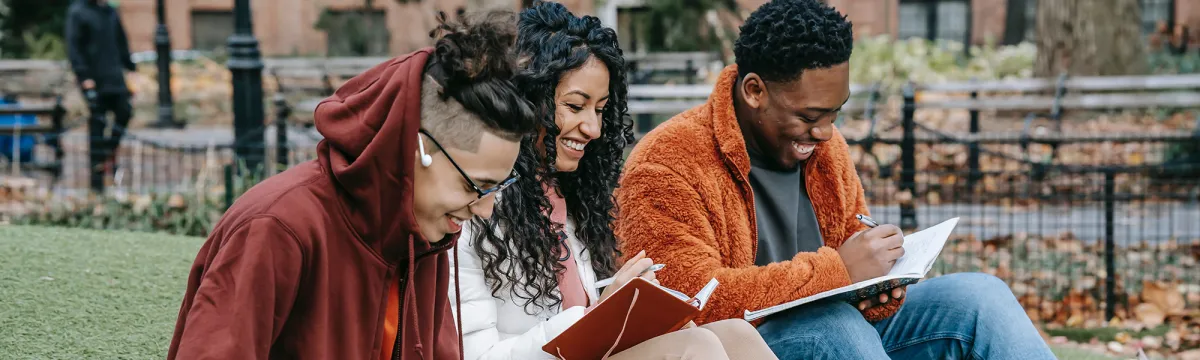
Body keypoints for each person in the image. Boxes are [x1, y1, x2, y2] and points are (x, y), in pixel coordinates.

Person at [614, 0, 1057, 359]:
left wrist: (878, 284)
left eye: (835, 112)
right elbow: (685, 303)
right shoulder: (667, 163)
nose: (826, 132)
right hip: (745, 347)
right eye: (809, 116)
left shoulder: (825, 148)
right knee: (832, 326)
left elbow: (852, 245)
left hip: (849, 336)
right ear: (754, 91)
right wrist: (838, 271)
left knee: (979, 297)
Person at [167, 10, 537, 359]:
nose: (485, 208)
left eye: (497, 188)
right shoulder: (277, 227)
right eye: (475, 185)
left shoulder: (423, 235)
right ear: (416, 147)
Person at [451, 3, 777, 360]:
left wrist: (637, 316)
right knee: (694, 348)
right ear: (527, 100)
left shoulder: (569, 195)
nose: (592, 128)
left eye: (600, 109)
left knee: (735, 333)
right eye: (575, 107)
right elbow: (476, 355)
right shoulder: (470, 206)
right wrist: (597, 317)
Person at [64, 0, 136, 193]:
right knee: (97, 125)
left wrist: (130, 68)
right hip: (93, 79)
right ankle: (96, 184)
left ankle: (107, 152)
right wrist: (84, 76)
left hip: (115, 77)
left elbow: (121, 42)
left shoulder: (110, 12)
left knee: (125, 112)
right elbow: (74, 47)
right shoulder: (78, 12)